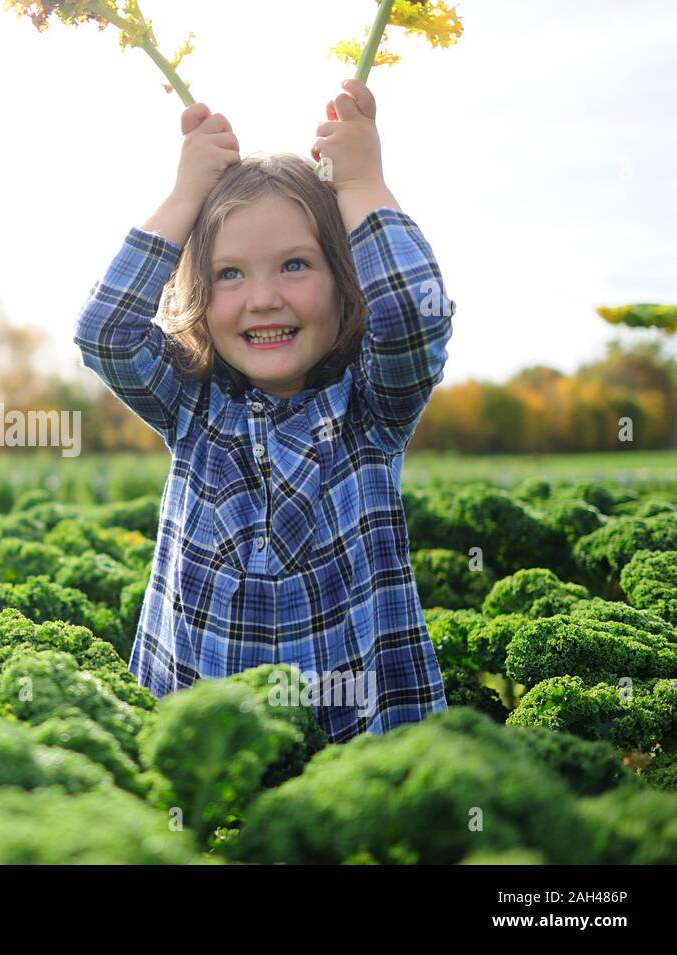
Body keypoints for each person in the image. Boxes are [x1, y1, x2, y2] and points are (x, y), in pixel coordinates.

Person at [72, 79, 454, 743]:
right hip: (202, 747)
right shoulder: (191, 403)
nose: (263, 298)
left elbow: (411, 314)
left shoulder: (373, 410)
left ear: (345, 278)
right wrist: (185, 195)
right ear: (200, 290)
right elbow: (105, 330)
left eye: (296, 265)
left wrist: (363, 184)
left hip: (356, 750)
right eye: (231, 273)